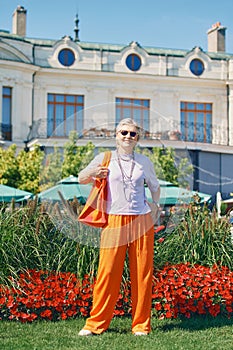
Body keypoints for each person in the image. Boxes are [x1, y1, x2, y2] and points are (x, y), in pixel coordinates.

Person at [78, 118, 160, 336]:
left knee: (142, 273)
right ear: (116, 135)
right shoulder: (104, 158)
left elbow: (155, 186)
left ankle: (141, 325)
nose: (127, 137)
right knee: (107, 272)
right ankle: (95, 324)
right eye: (124, 132)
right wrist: (94, 174)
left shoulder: (144, 161)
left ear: (138, 138)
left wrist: (156, 205)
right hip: (114, 220)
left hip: (141, 220)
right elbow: (81, 178)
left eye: (133, 134)